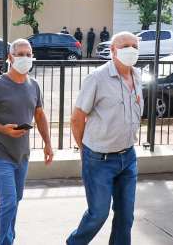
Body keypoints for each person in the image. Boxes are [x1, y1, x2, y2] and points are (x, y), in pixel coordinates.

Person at [67, 32, 143, 245]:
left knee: (126, 216)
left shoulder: (137, 76)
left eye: (135, 46)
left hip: (128, 157)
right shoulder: (97, 78)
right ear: (112, 51)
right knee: (98, 214)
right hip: (99, 159)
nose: (131, 50)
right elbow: (77, 118)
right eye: (125, 45)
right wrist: (84, 150)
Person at [0, 38, 54, 245]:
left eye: (29, 54)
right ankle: (5, 242)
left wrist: (47, 143)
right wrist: (3, 129)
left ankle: (8, 236)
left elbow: (39, 115)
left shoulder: (34, 85)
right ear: (10, 57)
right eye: (20, 54)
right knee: (9, 201)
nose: (25, 58)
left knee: (15, 200)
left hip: (22, 153)